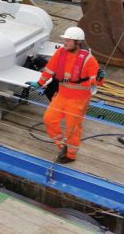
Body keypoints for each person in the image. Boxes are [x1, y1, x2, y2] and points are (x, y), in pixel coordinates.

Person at [26, 26, 105, 164]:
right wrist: (39, 83)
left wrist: (100, 77)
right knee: (49, 119)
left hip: (78, 100)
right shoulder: (60, 53)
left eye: (68, 41)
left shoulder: (89, 60)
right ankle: (62, 146)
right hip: (61, 96)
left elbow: (96, 82)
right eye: (65, 40)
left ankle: (71, 155)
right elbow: (49, 70)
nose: (65, 43)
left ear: (78, 42)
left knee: (73, 129)